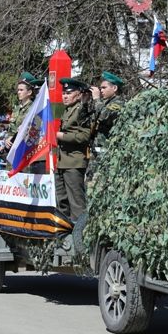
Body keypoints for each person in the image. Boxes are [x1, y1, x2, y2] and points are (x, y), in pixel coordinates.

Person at [55, 78, 91, 221]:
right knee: (61, 201)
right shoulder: (68, 110)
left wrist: (62, 136)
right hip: (62, 161)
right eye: (63, 93)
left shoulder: (81, 110)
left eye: (68, 93)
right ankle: (64, 236)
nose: (65, 96)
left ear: (78, 94)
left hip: (74, 162)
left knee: (76, 204)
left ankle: (79, 238)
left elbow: (85, 135)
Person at [89, 71, 125, 156]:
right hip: (97, 147)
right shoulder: (105, 103)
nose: (101, 90)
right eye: (100, 88)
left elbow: (104, 116)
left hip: (108, 149)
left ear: (115, 88)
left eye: (104, 88)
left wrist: (96, 99)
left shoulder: (119, 103)